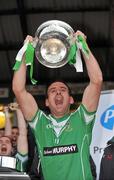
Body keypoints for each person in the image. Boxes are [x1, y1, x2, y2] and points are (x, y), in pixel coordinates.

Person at [12, 30, 103, 180]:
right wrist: (24, 53)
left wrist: (83, 46)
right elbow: (18, 89)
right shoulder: (39, 122)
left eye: (63, 90)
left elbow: (97, 80)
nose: (58, 93)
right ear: (47, 101)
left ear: (71, 99)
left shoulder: (82, 118)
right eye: (53, 91)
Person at [0, 104, 28, 172]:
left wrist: (18, 109)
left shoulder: (19, 160)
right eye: (0, 142)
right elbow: (8, 136)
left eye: (7, 142)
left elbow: (22, 134)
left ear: (12, 149)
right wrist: (6, 112)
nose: (3, 143)